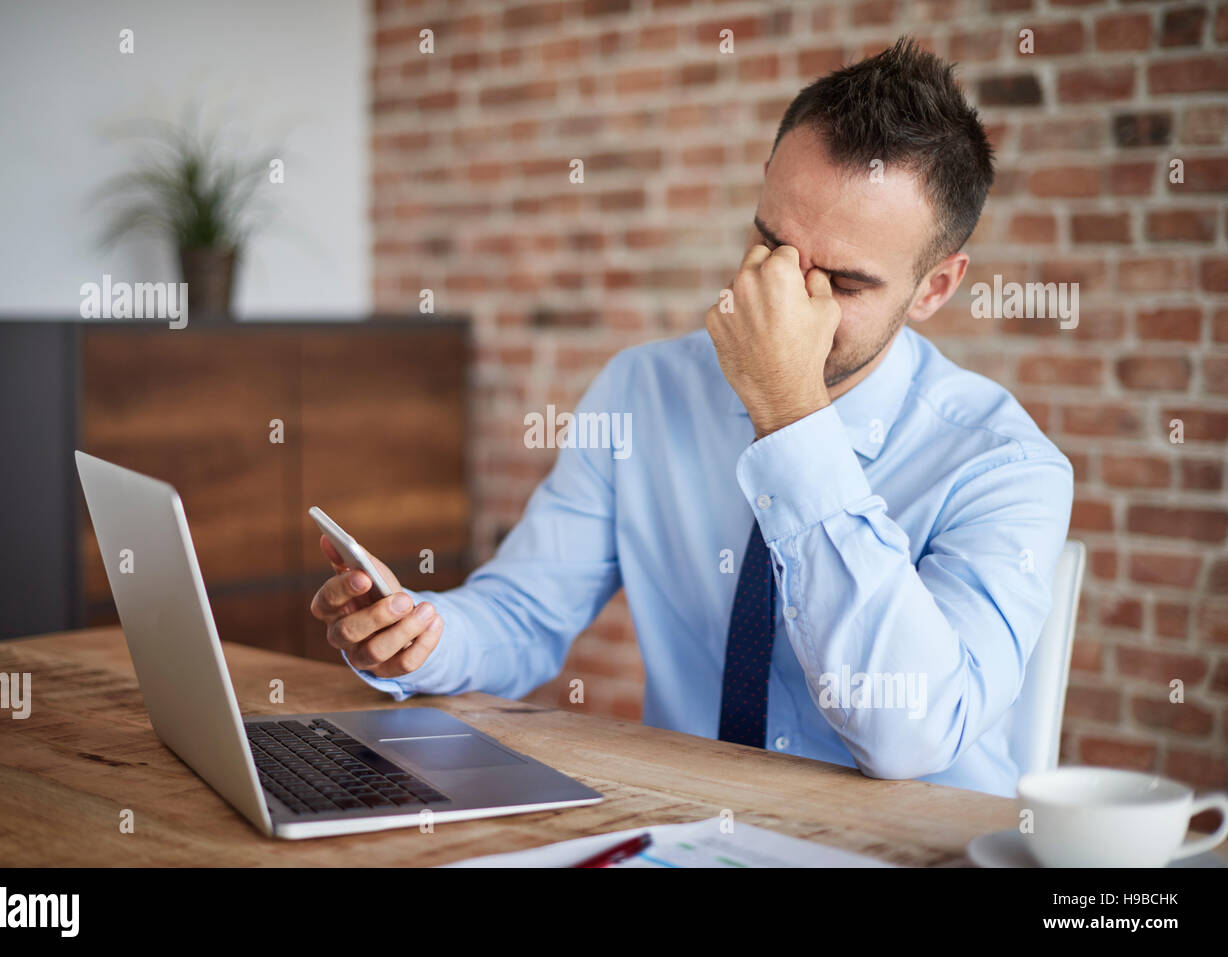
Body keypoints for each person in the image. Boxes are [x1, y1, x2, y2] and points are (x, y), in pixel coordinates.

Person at [310, 37, 1074, 798]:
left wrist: (788, 414)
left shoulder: (1006, 468)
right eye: (771, 243)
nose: (784, 295)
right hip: (690, 831)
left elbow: (908, 733)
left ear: (936, 287)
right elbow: (524, 612)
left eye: (841, 282)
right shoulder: (642, 389)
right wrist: (419, 638)